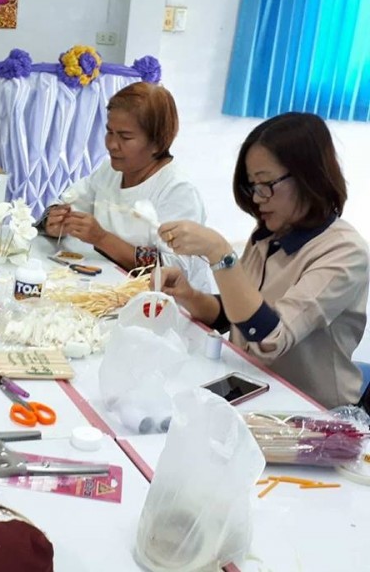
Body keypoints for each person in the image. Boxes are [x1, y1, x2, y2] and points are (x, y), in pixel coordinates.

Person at [157, 112, 368, 409]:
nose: (257, 198)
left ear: (309, 178)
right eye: (252, 186)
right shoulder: (268, 236)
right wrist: (189, 295)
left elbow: (270, 339)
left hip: (311, 410)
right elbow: (237, 314)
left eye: (266, 183)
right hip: (252, 385)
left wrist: (221, 254)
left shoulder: (345, 252)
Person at [43, 82, 211, 290]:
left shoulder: (177, 191)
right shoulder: (110, 171)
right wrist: (54, 221)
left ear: (157, 143)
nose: (112, 144)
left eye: (125, 137)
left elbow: (174, 270)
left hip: (167, 303)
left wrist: (102, 238)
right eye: (109, 132)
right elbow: (69, 201)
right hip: (112, 288)